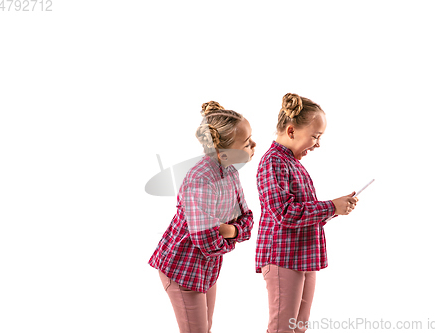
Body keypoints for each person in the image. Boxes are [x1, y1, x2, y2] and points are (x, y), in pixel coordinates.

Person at [149, 101, 256, 333]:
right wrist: (233, 235)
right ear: (223, 149)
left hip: (207, 268)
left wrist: (230, 231)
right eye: (247, 142)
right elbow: (205, 240)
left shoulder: (229, 172)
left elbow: (247, 219)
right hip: (183, 268)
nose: (254, 145)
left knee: (204, 328)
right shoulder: (201, 179)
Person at [255, 93, 359, 333]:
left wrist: (335, 209)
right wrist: (330, 206)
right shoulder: (273, 162)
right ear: (291, 131)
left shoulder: (293, 164)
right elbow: (285, 213)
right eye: (315, 136)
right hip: (283, 259)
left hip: (303, 257)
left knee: (298, 327)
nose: (318, 143)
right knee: (283, 327)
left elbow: (302, 214)